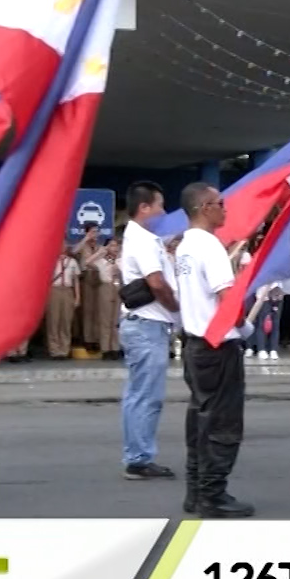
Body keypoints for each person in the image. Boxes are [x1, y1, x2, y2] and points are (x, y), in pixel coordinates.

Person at [169, 183, 254, 518]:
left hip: (195, 343)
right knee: (222, 422)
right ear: (205, 207)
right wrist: (244, 326)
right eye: (221, 203)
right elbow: (227, 298)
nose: (226, 208)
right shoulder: (210, 247)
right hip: (217, 345)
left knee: (200, 419)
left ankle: (196, 489)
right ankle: (213, 495)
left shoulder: (186, 246)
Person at [117, 182, 179, 481]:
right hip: (147, 325)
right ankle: (139, 459)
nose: (163, 211)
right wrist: (175, 307)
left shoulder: (141, 237)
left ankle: (136, 455)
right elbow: (156, 282)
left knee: (137, 394)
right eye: (159, 205)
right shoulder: (143, 240)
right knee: (146, 396)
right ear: (144, 208)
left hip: (142, 325)